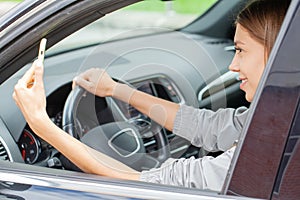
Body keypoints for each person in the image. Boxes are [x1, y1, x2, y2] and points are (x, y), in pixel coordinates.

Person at [12, 0, 290, 192]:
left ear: (276, 53)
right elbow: (207, 125)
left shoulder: (268, 150)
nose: (233, 65)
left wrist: (41, 124)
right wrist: (117, 90)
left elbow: (136, 182)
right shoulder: (281, 120)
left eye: (240, 50)